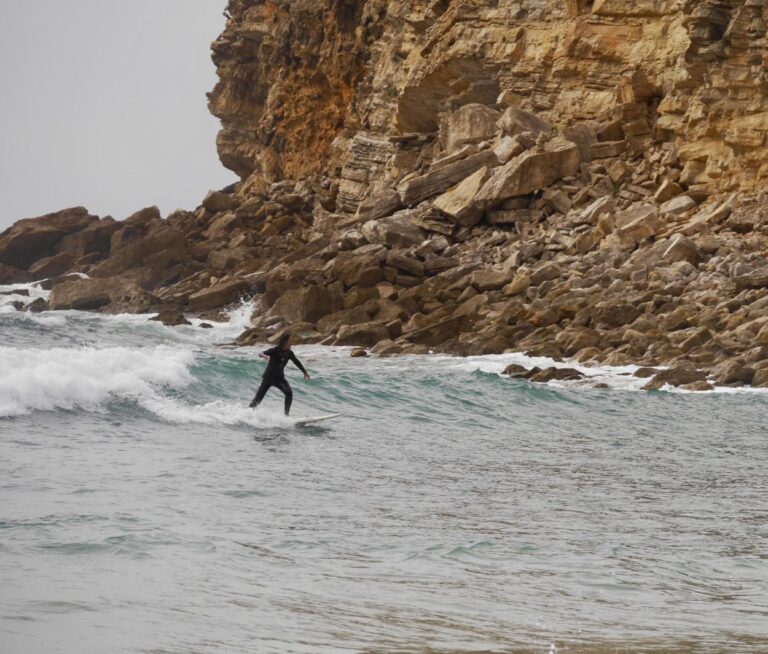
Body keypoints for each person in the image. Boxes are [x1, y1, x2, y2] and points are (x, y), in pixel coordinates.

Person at [249, 334, 310, 415]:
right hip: (268, 378)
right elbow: (262, 353)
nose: (292, 343)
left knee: (289, 393)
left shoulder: (289, 353)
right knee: (258, 399)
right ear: (285, 342)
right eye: (290, 341)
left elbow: (296, 362)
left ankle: (286, 415)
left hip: (279, 378)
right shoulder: (274, 350)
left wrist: (305, 372)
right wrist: (262, 355)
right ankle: (248, 413)